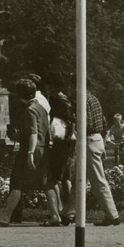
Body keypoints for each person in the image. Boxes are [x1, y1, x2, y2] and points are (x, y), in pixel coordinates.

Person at [0, 78, 53, 226]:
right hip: (42, 149)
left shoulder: (29, 110)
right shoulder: (41, 108)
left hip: (31, 149)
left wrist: (30, 153)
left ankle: (5, 217)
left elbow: (33, 133)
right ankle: (56, 215)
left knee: (17, 182)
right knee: (47, 184)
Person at [61, 88, 120, 226]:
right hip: (96, 139)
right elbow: (103, 123)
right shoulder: (94, 99)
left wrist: (69, 116)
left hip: (88, 141)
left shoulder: (82, 100)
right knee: (79, 179)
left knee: (98, 180)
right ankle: (67, 214)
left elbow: (87, 124)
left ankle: (113, 215)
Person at [47, 92, 76, 224]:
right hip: (70, 152)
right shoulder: (71, 120)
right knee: (66, 180)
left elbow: (54, 136)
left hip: (59, 151)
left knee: (54, 181)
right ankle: (70, 210)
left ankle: (60, 208)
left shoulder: (55, 120)